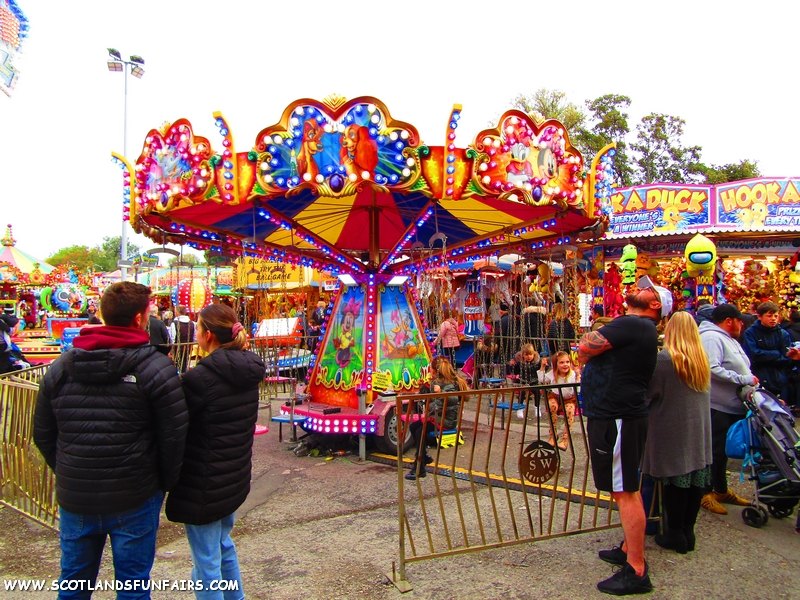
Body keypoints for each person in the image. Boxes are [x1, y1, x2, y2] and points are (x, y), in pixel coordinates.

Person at [33, 282, 188, 595]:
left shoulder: (61, 367)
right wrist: (162, 483)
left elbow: (43, 433)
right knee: (132, 585)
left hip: (78, 495)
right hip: (135, 494)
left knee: (73, 583)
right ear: (139, 320)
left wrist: (69, 470)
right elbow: (174, 437)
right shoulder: (156, 368)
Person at [577, 275, 672, 595]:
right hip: (615, 414)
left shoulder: (634, 324)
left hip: (617, 416)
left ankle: (636, 569)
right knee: (622, 488)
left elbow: (584, 345)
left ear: (655, 304)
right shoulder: (638, 328)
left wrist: (590, 351)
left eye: (647, 289)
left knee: (625, 491)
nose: (639, 288)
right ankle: (627, 548)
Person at [165, 304, 264, 600]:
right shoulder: (247, 371)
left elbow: (179, 424)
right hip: (232, 476)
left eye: (196, 329)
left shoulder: (201, 379)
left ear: (208, 335)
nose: (194, 334)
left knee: (206, 561)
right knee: (222, 545)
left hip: (203, 481)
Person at [642, 312, 712, 555]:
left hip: (672, 427)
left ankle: (674, 533)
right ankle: (687, 531)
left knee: (675, 482)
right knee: (694, 480)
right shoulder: (701, 357)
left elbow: (648, 392)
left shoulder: (665, 359)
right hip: (698, 428)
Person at [698, 303, 756, 515]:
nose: (742, 324)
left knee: (722, 451)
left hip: (731, 405)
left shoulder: (727, 338)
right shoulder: (712, 338)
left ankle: (720, 489)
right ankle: (705, 492)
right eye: (740, 320)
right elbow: (711, 368)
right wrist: (742, 378)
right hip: (718, 405)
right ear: (729, 321)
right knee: (713, 450)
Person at [406, 358, 467, 480]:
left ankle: (419, 468)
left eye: (431, 370)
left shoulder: (451, 384)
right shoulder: (436, 382)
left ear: (435, 371)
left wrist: (441, 392)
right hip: (435, 417)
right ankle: (424, 456)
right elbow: (429, 396)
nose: (430, 372)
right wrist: (422, 387)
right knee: (413, 427)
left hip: (447, 419)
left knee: (420, 432)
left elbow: (453, 399)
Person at [742, 301, 793, 401]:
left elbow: (787, 357)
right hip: (759, 379)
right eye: (769, 316)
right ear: (760, 317)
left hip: (779, 381)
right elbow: (753, 355)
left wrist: (766, 355)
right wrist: (777, 353)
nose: (773, 319)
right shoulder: (750, 333)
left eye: (775, 316)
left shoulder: (783, 334)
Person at [544, 351, 580, 451]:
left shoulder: (572, 374)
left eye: (567, 362)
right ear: (556, 364)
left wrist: (577, 377)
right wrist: (542, 368)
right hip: (555, 396)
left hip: (569, 399)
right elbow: (542, 380)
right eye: (562, 362)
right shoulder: (552, 374)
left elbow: (577, 391)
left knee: (569, 411)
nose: (565, 365)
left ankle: (565, 439)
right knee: (552, 406)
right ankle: (553, 435)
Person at [170, 305, 197, 373]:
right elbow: (194, 337)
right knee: (184, 362)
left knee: (178, 363)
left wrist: (171, 348)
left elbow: (172, 337)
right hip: (188, 347)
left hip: (178, 348)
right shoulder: (192, 323)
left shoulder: (175, 323)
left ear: (177, 312)